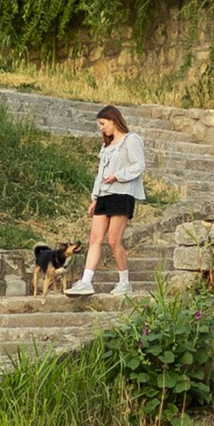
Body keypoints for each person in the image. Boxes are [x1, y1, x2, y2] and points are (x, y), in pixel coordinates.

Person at [67, 104, 144, 297]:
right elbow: (100, 174)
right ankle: (86, 282)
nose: (101, 128)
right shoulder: (106, 146)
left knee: (113, 241)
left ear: (113, 120)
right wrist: (95, 197)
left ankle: (124, 283)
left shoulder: (130, 140)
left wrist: (118, 176)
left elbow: (139, 166)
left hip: (122, 193)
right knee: (94, 238)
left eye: (103, 123)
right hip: (105, 195)